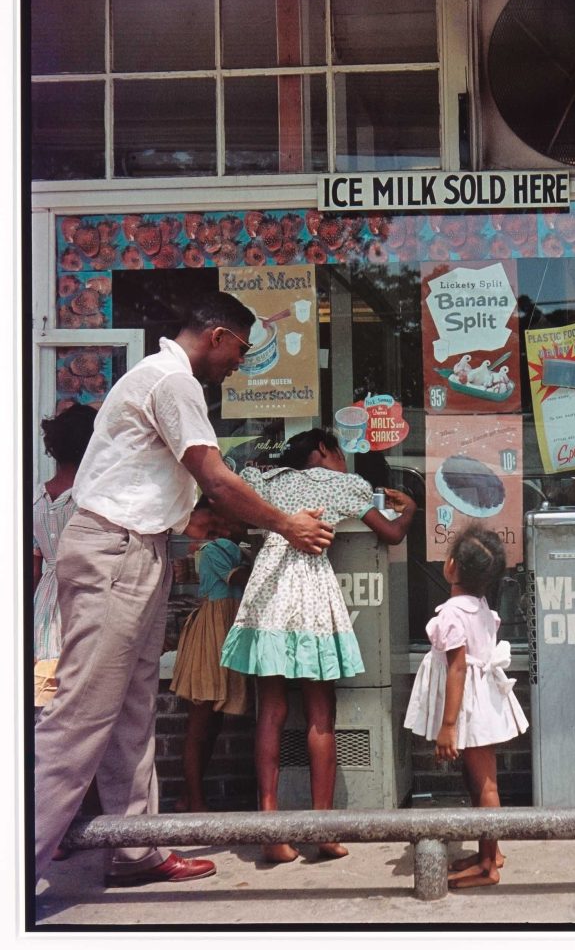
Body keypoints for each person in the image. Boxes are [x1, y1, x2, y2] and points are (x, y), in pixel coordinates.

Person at [34, 291, 335, 888]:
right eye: (241, 352)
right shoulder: (173, 382)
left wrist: (208, 520)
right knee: (82, 715)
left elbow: (185, 492)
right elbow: (215, 477)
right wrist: (286, 522)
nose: (238, 366)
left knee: (131, 712)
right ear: (218, 336)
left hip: (134, 549)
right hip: (116, 551)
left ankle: (134, 848)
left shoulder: (158, 378)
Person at [219, 427, 416, 864]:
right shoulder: (346, 486)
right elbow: (391, 534)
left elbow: (229, 492)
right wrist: (411, 510)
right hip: (308, 592)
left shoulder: (269, 482)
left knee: (270, 710)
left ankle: (271, 830)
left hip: (267, 591)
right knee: (320, 714)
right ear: (323, 450)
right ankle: (323, 831)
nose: (345, 461)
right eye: (341, 452)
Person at [404, 525, 528, 889]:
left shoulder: (452, 614)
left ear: (452, 567)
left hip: (469, 709)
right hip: (482, 702)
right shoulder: (480, 607)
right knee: (478, 781)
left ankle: (489, 866)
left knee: (485, 784)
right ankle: (490, 851)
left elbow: (457, 668)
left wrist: (448, 726)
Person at [169, 510, 253, 813]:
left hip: (227, 633)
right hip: (210, 637)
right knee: (200, 722)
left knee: (212, 723)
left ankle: (186, 795)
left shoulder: (237, 550)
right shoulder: (211, 550)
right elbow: (242, 579)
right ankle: (196, 802)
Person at [32, 402, 97, 708]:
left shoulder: (33, 499)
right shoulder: (93, 500)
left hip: (44, 605)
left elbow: (30, 570)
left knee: (44, 703)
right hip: (86, 600)